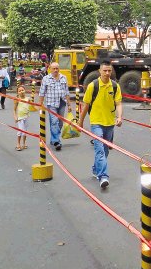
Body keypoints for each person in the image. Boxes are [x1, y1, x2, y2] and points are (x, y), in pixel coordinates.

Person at [79, 60, 123, 189]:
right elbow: (86, 105)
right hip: (96, 122)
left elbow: (119, 103)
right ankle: (103, 176)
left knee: (105, 150)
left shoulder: (115, 86)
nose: (107, 73)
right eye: (105, 70)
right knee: (100, 150)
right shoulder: (93, 86)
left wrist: (119, 117)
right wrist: (80, 122)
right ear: (100, 71)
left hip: (110, 123)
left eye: (109, 71)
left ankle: (95, 168)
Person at [38, 62, 71, 151]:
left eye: (57, 68)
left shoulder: (64, 78)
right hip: (51, 103)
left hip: (62, 103)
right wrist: (40, 104)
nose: (56, 70)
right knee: (54, 122)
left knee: (60, 123)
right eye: (54, 68)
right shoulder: (46, 79)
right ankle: (57, 141)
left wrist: (69, 104)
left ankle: (53, 138)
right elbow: (42, 92)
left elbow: (67, 91)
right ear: (50, 69)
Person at [13, 85, 30, 150]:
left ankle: (24, 143)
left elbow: (32, 107)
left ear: (25, 90)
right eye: (19, 91)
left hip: (27, 117)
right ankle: (18, 144)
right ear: (17, 92)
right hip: (20, 118)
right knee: (20, 131)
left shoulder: (28, 99)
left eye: (22, 90)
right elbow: (14, 109)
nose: (21, 92)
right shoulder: (17, 99)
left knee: (25, 132)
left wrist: (39, 108)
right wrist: (15, 117)